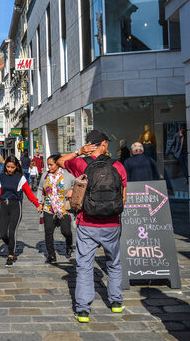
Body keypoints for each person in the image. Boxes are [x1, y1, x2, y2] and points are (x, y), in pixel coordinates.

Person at [57, 129, 127, 323]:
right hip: (112, 223)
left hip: (86, 222)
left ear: (89, 146)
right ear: (103, 144)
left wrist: (79, 152)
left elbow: (60, 161)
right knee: (113, 263)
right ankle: (115, 302)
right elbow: (123, 197)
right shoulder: (118, 166)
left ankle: (83, 310)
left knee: (85, 266)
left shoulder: (81, 163)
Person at [0, 156, 42, 266]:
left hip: (16, 206)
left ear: (16, 167)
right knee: (2, 233)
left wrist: (37, 204)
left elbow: (29, 193)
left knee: (12, 231)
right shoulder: (0, 177)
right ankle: (11, 243)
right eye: (8, 166)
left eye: (12, 167)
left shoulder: (20, 178)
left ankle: (10, 255)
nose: (9, 169)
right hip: (3, 206)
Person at [39, 154, 75, 263]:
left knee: (66, 231)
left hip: (63, 209)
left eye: (51, 164)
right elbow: (41, 188)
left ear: (58, 164)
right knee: (48, 232)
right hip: (48, 208)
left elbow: (76, 184)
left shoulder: (67, 175)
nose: (49, 167)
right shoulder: (45, 175)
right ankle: (51, 255)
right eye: (48, 165)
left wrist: (72, 190)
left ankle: (69, 244)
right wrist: (39, 203)